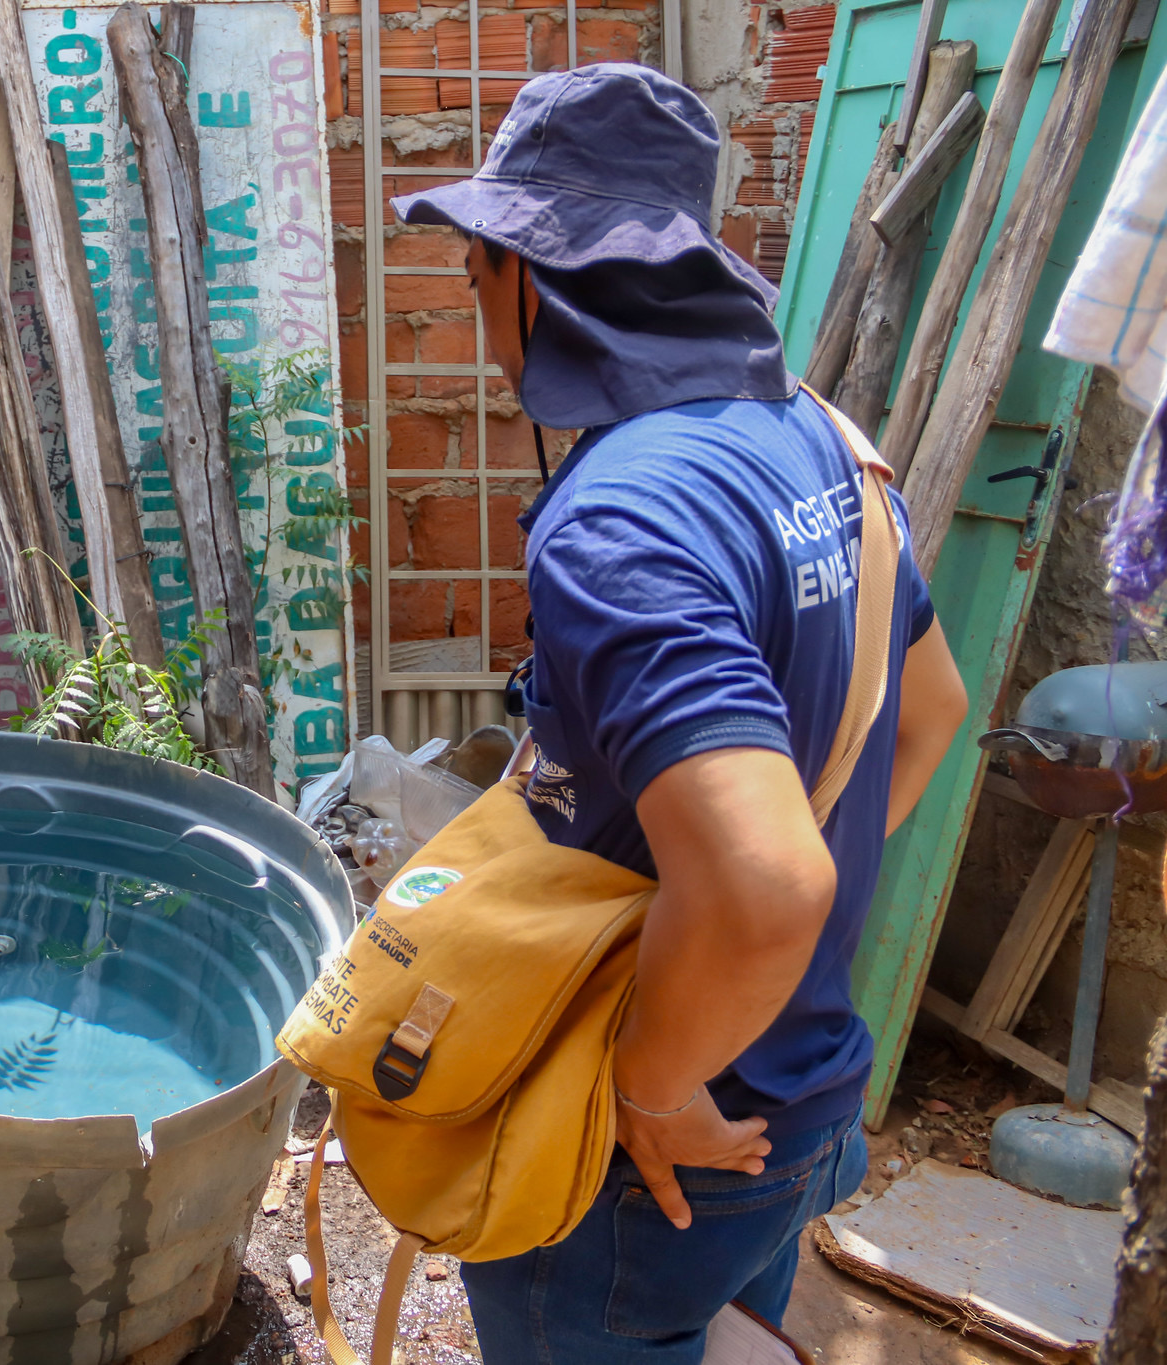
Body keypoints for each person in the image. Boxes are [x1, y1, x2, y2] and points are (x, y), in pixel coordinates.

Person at [390, 66, 969, 1359]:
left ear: (529, 272)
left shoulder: (621, 520)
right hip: (806, 1102)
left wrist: (651, 1083)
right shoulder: (824, 440)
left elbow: (766, 885)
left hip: (658, 1161)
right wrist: (773, 927)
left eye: (478, 266)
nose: (476, 305)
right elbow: (931, 713)